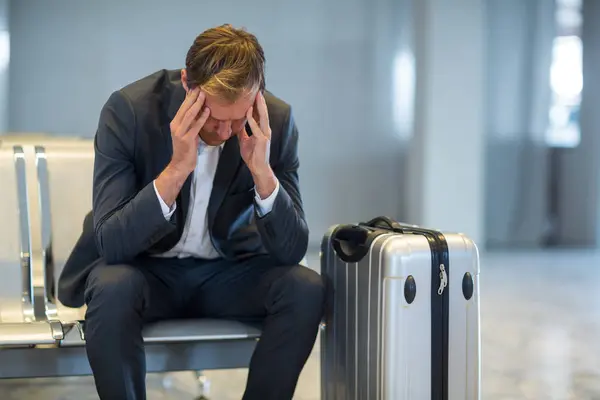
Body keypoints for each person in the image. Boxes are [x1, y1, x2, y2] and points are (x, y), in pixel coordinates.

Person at [57, 24, 325, 400]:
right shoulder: (130, 111)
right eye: (216, 117)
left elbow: (291, 249)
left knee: (305, 289)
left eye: (237, 117)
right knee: (111, 286)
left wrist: (262, 173)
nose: (227, 130)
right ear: (187, 83)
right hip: (146, 271)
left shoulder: (273, 123)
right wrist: (177, 169)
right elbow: (113, 244)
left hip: (227, 274)